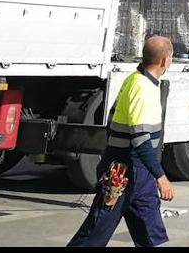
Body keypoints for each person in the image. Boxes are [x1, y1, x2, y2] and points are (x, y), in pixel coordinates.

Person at [69, 36, 175, 247]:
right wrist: (161, 176)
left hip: (139, 175)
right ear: (164, 61)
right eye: (171, 57)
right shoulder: (142, 87)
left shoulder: (137, 80)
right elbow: (140, 139)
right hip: (125, 172)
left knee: (152, 233)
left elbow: (112, 121)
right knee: (95, 231)